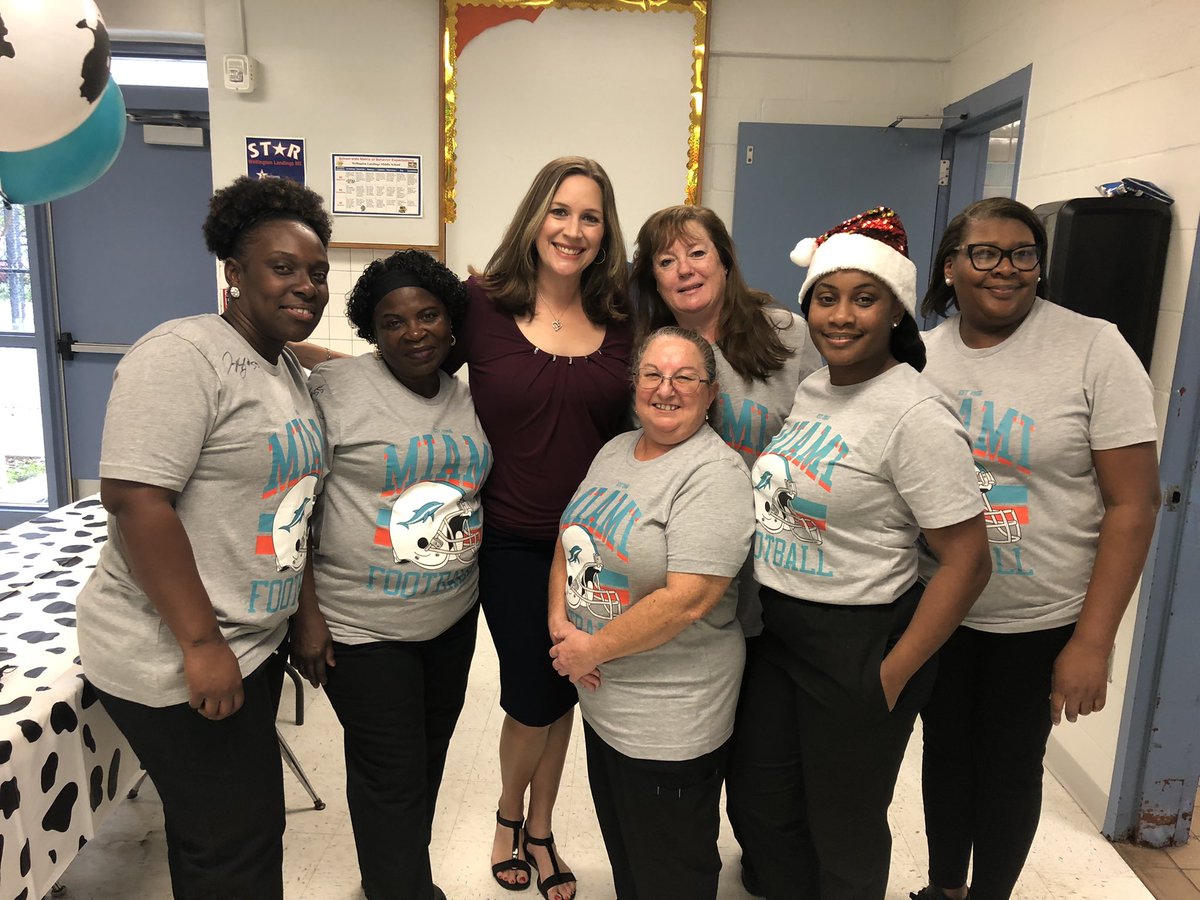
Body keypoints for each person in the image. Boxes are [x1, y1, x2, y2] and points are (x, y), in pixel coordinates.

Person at [76, 175, 332, 900]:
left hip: (252, 641)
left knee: (235, 833)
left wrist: (302, 614)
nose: (305, 285)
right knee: (232, 847)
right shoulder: (180, 356)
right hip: (174, 653)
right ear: (235, 273)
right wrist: (200, 644)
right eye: (282, 267)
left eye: (316, 273)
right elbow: (135, 501)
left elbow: (287, 505)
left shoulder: (283, 364)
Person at [727, 207, 991, 900]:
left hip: (858, 640)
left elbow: (968, 562)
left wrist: (892, 675)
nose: (841, 316)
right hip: (780, 632)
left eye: (864, 298)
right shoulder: (816, 388)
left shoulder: (915, 414)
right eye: (826, 297)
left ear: (896, 310)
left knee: (843, 827)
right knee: (762, 804)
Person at [909, 198, 1160, 900]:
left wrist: (1093, 642)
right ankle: (943, 889)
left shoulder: (1094, 349)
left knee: (1010, 768)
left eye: (1023, 253)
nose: (1006, 269)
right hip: (940, 608)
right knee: (944, 755)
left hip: (1039, 618)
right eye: (985, 253)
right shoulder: (921, 356)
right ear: (950, 267)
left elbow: (1134, 505)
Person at [630, 204, 822, 894]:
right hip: (688, 583)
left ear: (725, 258)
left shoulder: (787, 335)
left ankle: (775, 863)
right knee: (694, 752)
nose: (684, 270)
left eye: (697, 253)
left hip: (777, 580)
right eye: (666, 260)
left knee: (767, 763)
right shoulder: (654, 350)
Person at [454, 157, 632, 899]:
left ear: (605, 233)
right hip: (512, 541)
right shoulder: (480, 305)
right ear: (535, 217)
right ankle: (506, 817)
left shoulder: (622, 316)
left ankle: (542, 829)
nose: (573, 229)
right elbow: (409, 362)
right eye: (560, 211)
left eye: (590, 217)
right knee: (532, 691)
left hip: (595, 547)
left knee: (567, 689)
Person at [290, 250, 486, 900]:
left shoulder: (467, 397)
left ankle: (398, 877)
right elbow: (297, 505)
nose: (414, 332)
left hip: (451, 619)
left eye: (427, 315)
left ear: (451, 322)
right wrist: (306, 616)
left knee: (426, 759)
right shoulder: (337, 390)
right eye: (392, 322)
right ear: (372, 331)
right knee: (391, 773)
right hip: (361, 627)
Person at [549, 325, 755, 899]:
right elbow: (570, 538)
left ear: (711, 393)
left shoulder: (714, 474)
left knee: (671, 872)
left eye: (685, 377)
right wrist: (560, 625)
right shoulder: (615, 450)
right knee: (629, 859)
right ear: (633, 383)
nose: (666, 389)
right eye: (652, 375)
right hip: (605, 703)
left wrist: (590, 649)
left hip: (670, 720)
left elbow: (688, 599)